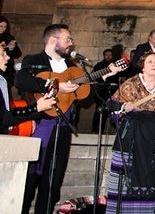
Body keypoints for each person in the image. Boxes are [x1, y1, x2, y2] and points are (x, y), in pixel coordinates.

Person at [16, 24, 120, 214]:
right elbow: (21, 80)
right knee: (29, 180)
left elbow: (87, 96)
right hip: (40, 126)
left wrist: (105, 76)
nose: (71, 44)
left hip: (63, 127)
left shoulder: (72, 67)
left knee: (53, 181)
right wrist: (56, 85)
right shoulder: (34, 60)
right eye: (68, 39)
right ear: (53, 40)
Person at [107, 51, 155, 214]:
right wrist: (125, 107)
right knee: (130, 179)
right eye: (150, 62)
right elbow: (112, 106)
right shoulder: (130, 84)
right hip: (132, 139)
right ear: (142, 66)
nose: (154, 65)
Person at [0, 42, 56, 134]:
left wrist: (29, 116)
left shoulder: (2, 79)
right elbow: (4, 118)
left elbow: (6, 114)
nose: (8, 58)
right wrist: (35, 108)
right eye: (3, 54)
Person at [91, 48, 120, 133]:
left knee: (115, 112)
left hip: (113, 92)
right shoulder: (98, 66)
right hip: (101, 92)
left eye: (110, 55)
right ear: (104, 56)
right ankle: (96, 130)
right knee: (100, 112)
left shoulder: (115, 66)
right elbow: (95, 78)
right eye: (106, 55)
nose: (108, 56)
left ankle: (118, 131)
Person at [0, 15, 22, 92]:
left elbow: (18, 54)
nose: (3, 28)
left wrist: (12, 48)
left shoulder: (9, 37)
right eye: (1, 26)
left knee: (5, 90)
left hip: (7, 68)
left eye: (5, 27)